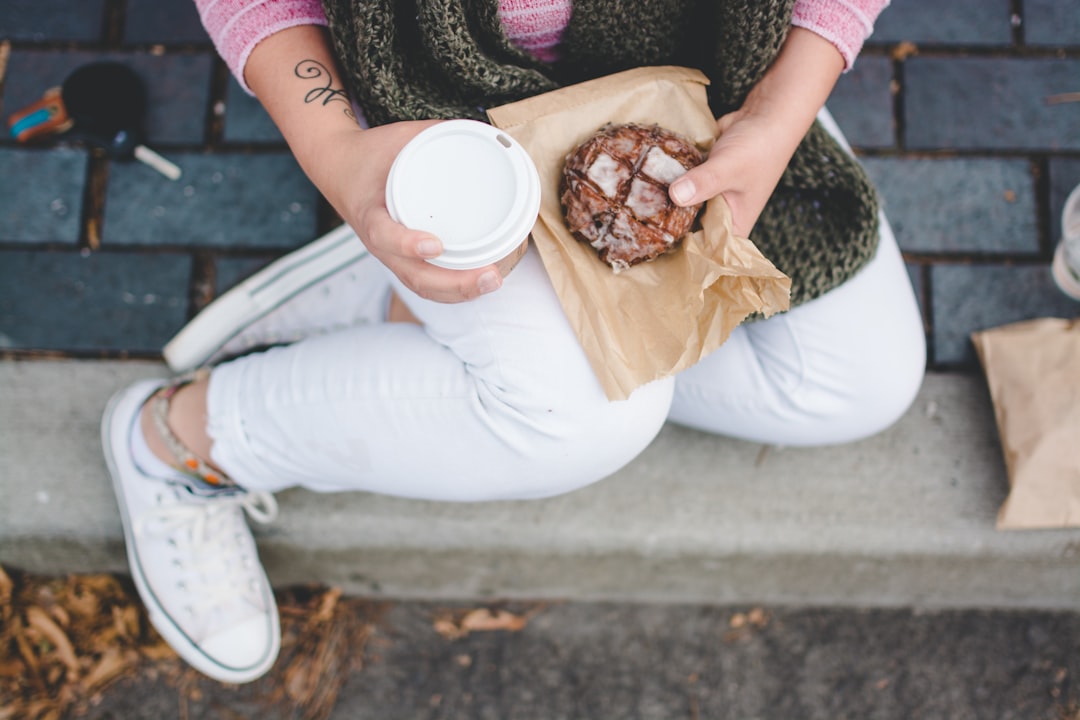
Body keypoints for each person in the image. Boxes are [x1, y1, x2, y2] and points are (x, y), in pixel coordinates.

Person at [101, 0, 925, 683]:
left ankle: (412, 310)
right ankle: (179, 444)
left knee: (861, 382)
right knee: (592, 417)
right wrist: (336, 154)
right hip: (452, 128)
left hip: (698, 84)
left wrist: (783, 110)